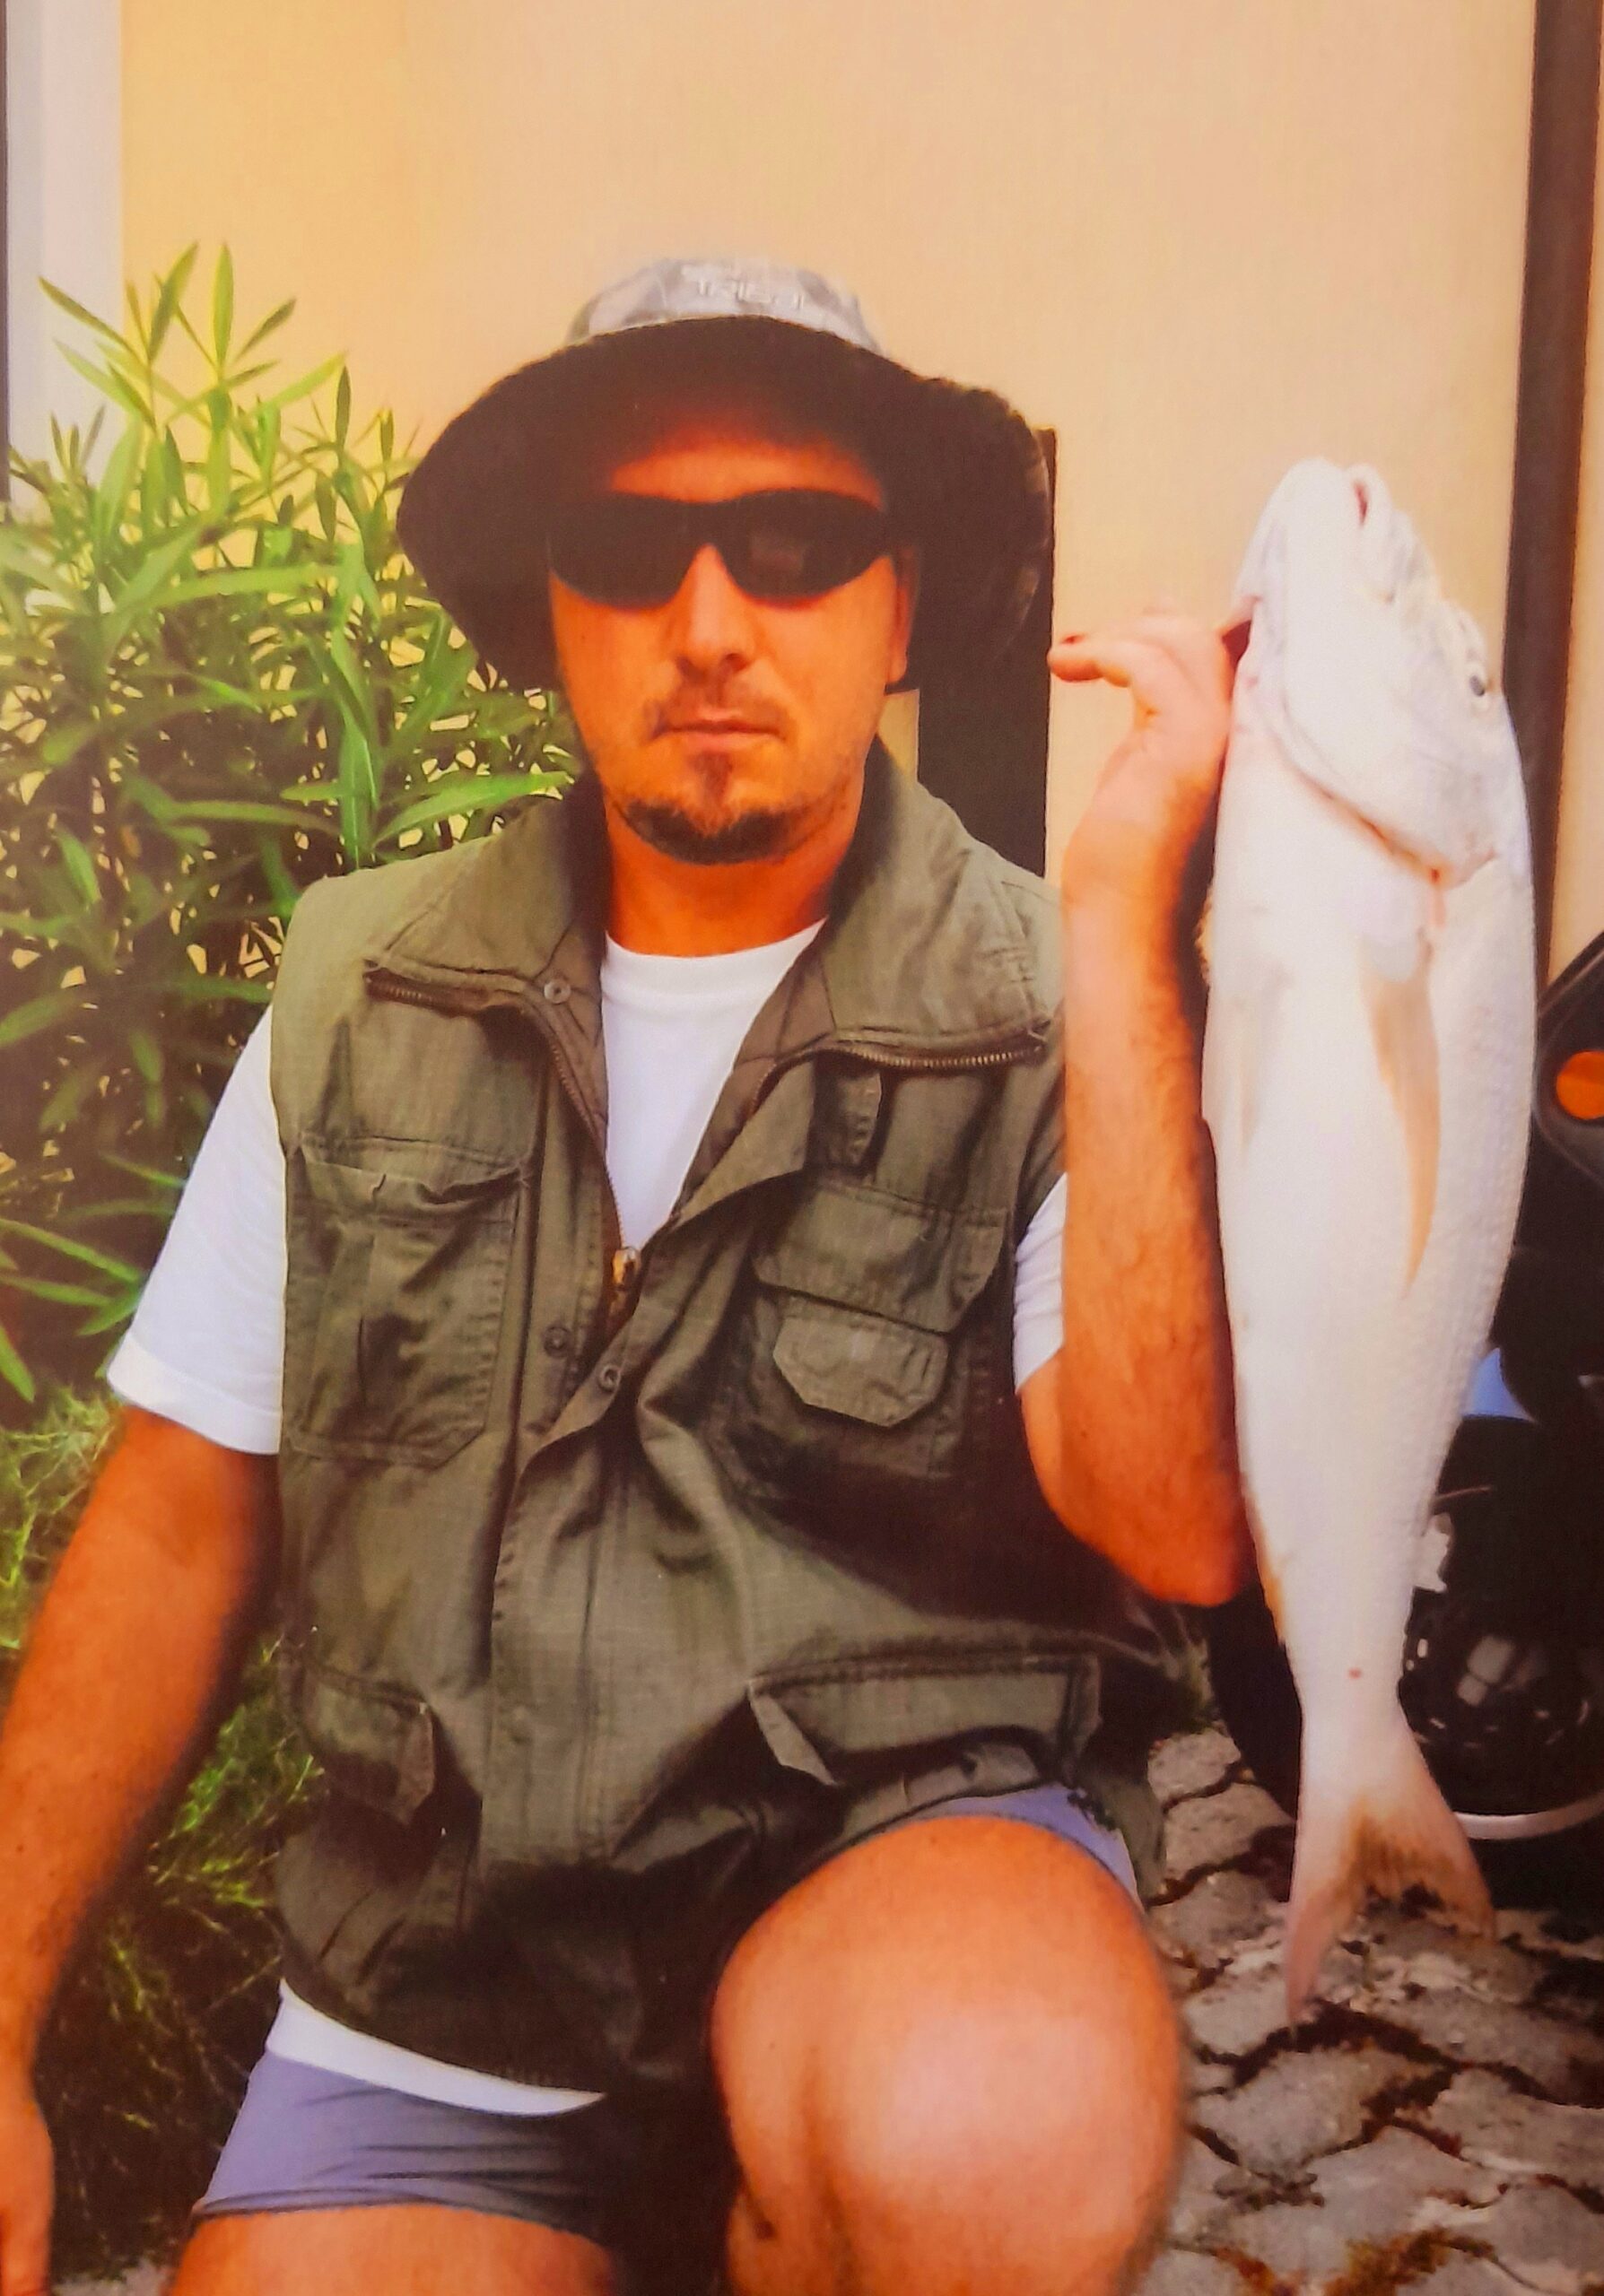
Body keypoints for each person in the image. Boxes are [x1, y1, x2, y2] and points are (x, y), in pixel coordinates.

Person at [0, 257, 1253, 2296]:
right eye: (629, 548)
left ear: (900, 607)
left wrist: (1126, 941)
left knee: (979, 2141)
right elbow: (174, 1521)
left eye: (797, 543)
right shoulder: (360, 991)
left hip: (886, 1887)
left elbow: (1170, 1519)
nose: (712, 620)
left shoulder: (1053, 1003)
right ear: (549, 609)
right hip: (451, 1975)